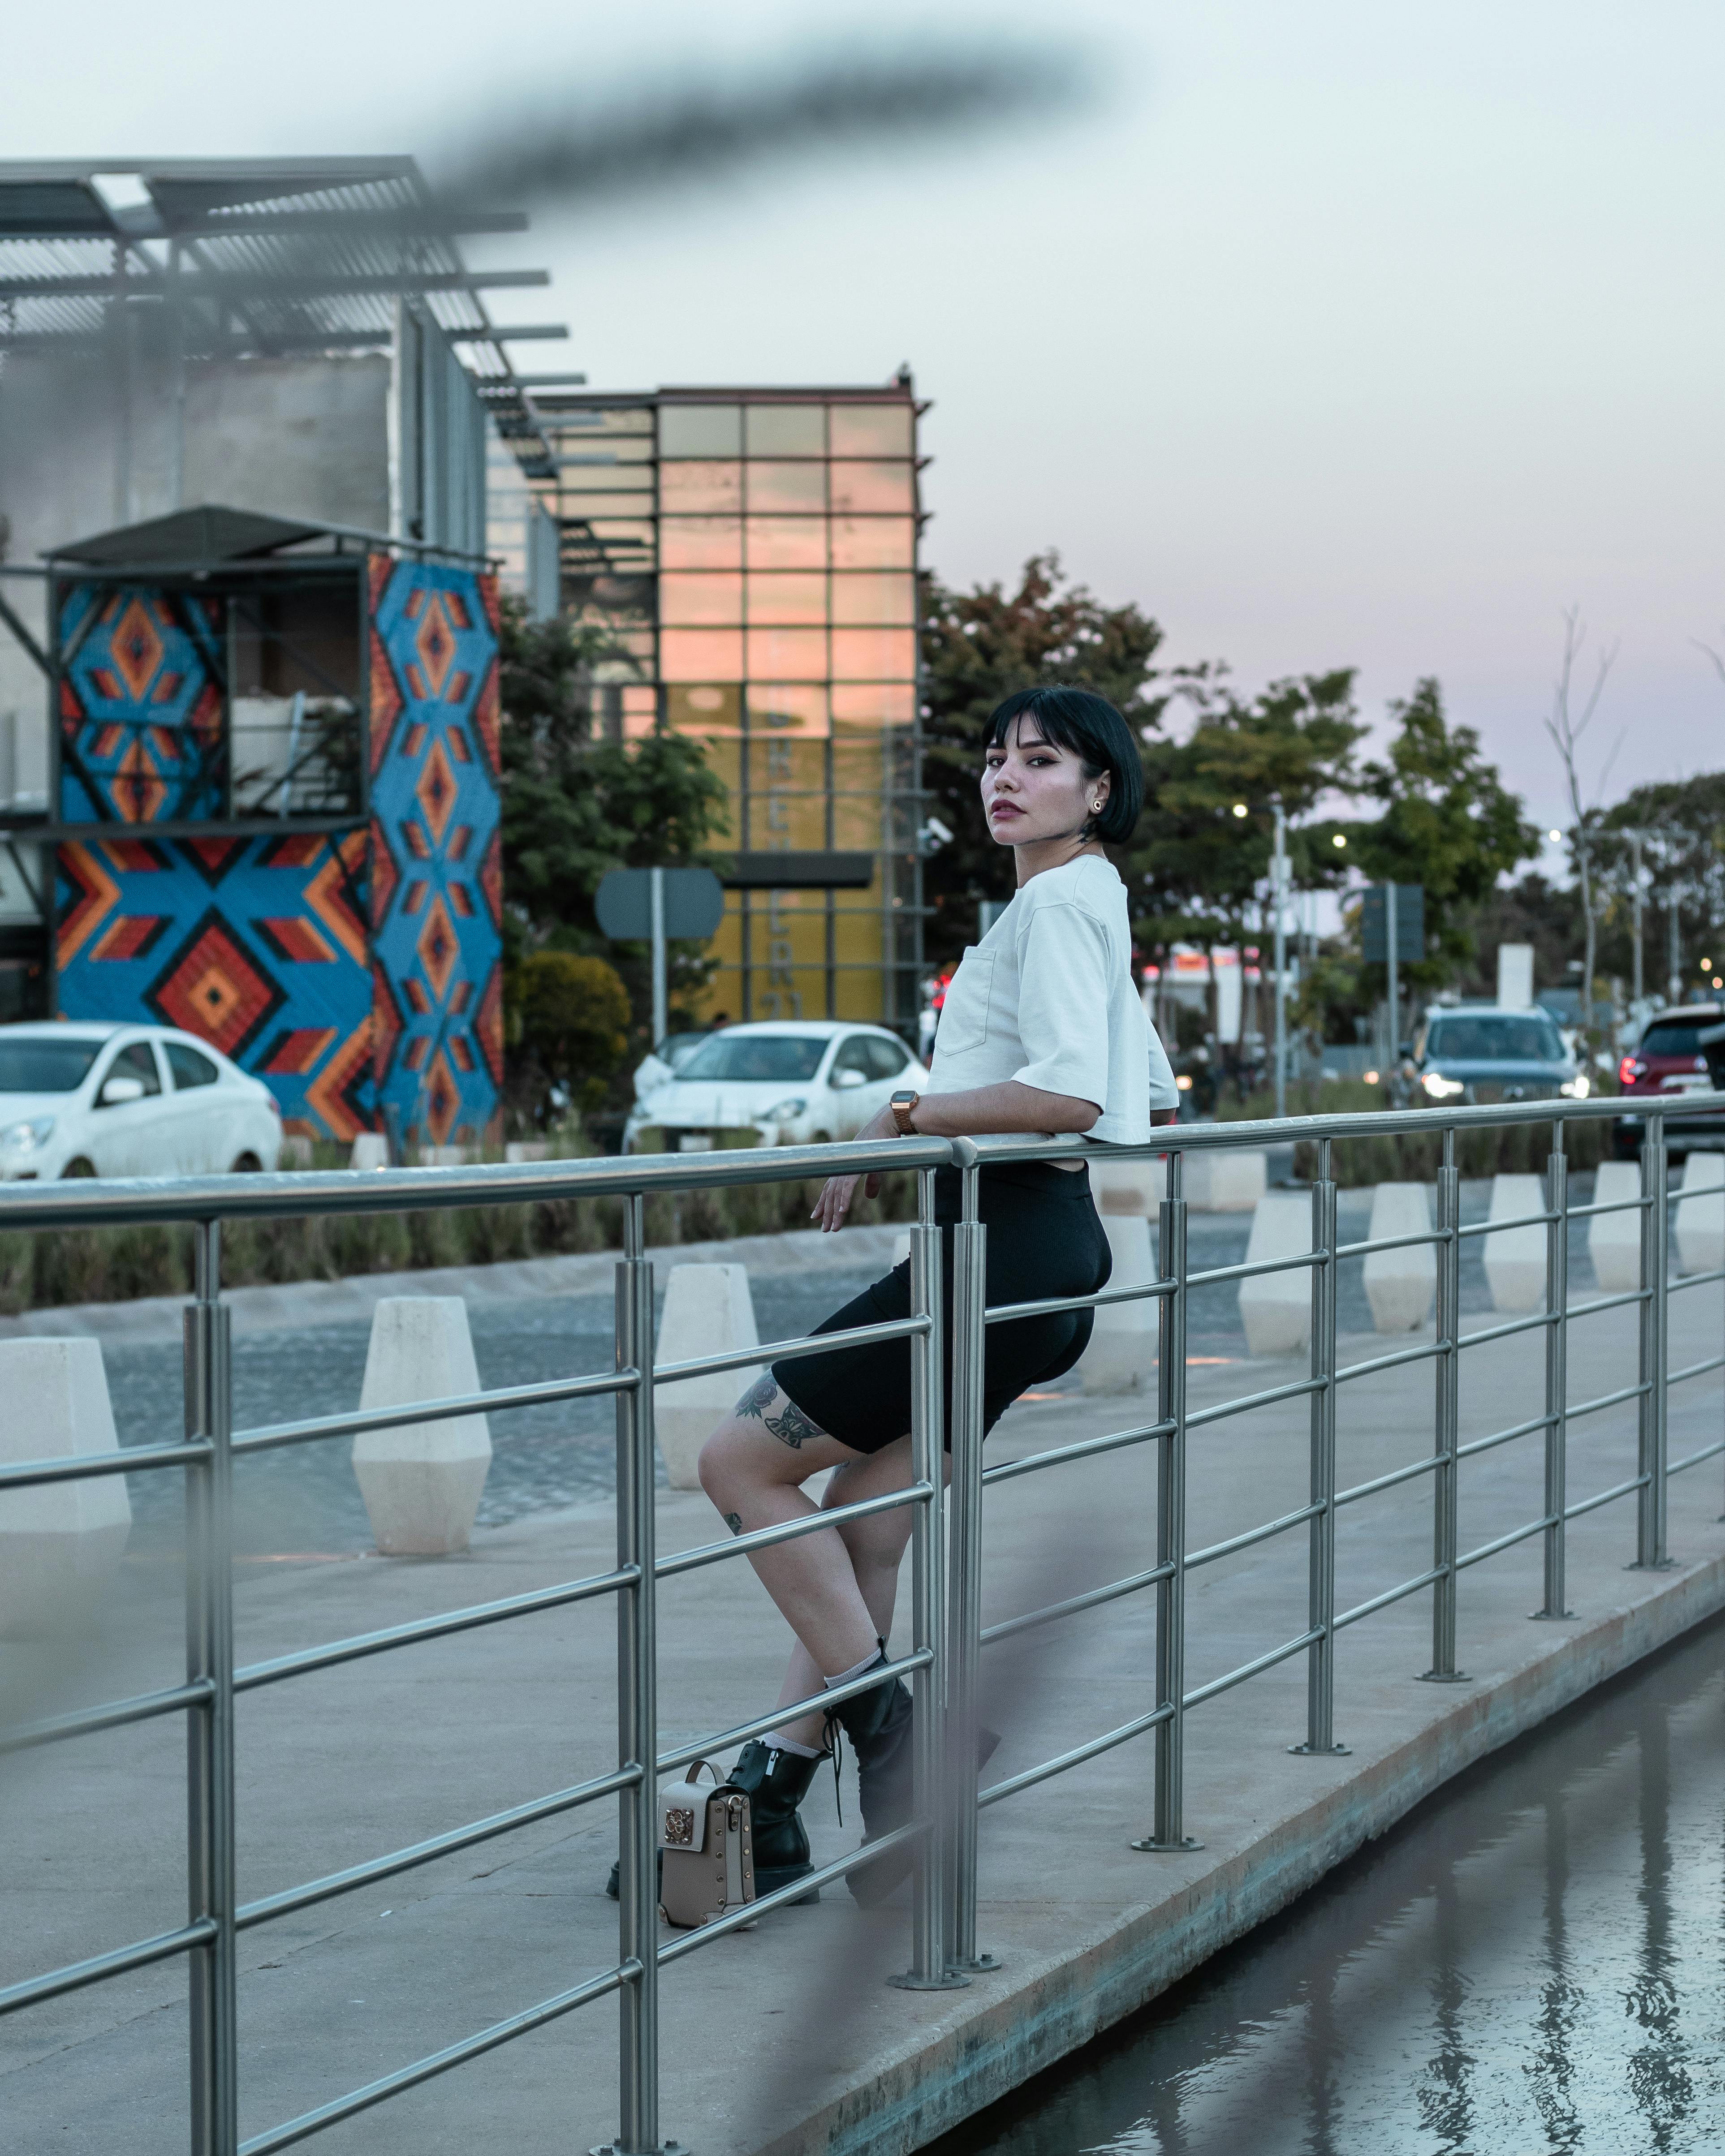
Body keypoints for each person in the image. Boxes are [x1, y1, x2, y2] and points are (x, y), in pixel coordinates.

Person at [641, 687, 1177, 1907]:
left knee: (739, 1465)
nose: (1006, 777)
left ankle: (905, 1744)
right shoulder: (1084, 902)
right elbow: (1152, 1093)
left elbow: (1073, 1102)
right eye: (995, 758)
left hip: (989, 1254)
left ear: (1099, 790)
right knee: (864, 1528)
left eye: (1041, 761)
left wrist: (899, 1115)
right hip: (1036, 1261)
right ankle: (774, 1799)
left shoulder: (1055, 909)